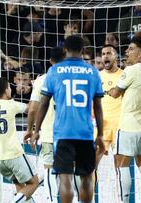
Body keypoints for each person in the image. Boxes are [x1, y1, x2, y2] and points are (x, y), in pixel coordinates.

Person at [32, 35, 105, 203]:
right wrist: (100, 134)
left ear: (65, 50)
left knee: (66, 179)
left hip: (63, 133)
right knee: (86, 178)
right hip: (85, 133)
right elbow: (98, 107)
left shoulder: (55, 71)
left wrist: (36, 130)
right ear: (83, 50)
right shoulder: (92, 71)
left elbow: (43, 103)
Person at [109, 38, 141, 203]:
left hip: (128, 125)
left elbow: (116, 93)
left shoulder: (130, 70)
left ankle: (123, 201)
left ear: (140, 53)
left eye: (130, 49)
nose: (127, 52)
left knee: (121, 163)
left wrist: (110, 90)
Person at [0, 77, 39, 203]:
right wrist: (35, 89)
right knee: (33, 183)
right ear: (6, 90)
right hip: (14, 155)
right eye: (9, 87)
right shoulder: (11, 104)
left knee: (21, 187)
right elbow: (31, 109)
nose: (10, 90)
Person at [24, 47, 65, 203]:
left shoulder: (42, 80)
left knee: (49, 169)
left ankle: (52, 200)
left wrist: (30, 130)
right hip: (70, 133)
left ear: (49, 61)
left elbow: (33, 108)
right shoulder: (71, 78)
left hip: (49, 134)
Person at [96, 44, 122, 164]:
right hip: (102, 125)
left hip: (120, 125)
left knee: (120, 166)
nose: (105, 56)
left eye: (109, 53)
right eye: (103, 54)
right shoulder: (96, 76)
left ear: (115, 56)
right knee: (92, 164)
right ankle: (90, 184)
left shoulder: (124, 75)